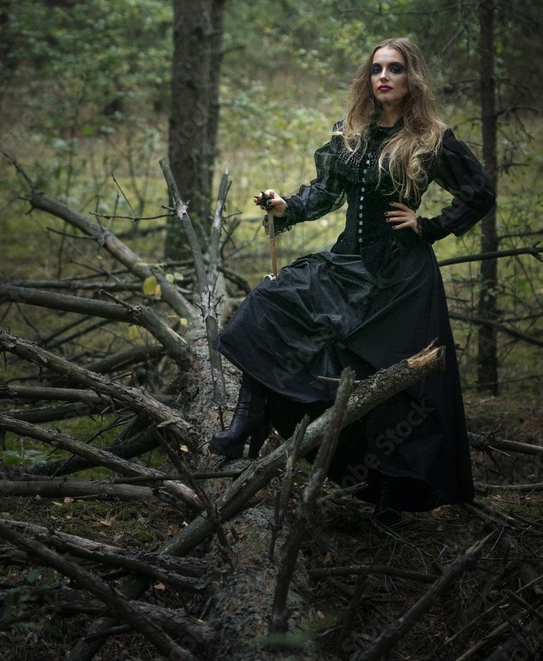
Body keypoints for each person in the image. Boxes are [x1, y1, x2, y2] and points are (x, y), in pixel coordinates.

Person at [209, 37, 495, 526]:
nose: (383, 76)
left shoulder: (430, 138)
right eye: (377, 69)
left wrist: (429, 226)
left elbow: (479, 190)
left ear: (412, 79)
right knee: (270, 303)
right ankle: (248, 420)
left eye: (395, 69)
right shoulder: (351, 132)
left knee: (390, 386)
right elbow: (325, 192)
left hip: (403, 279)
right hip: (349, 264)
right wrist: (287, 207)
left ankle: (390, 498)